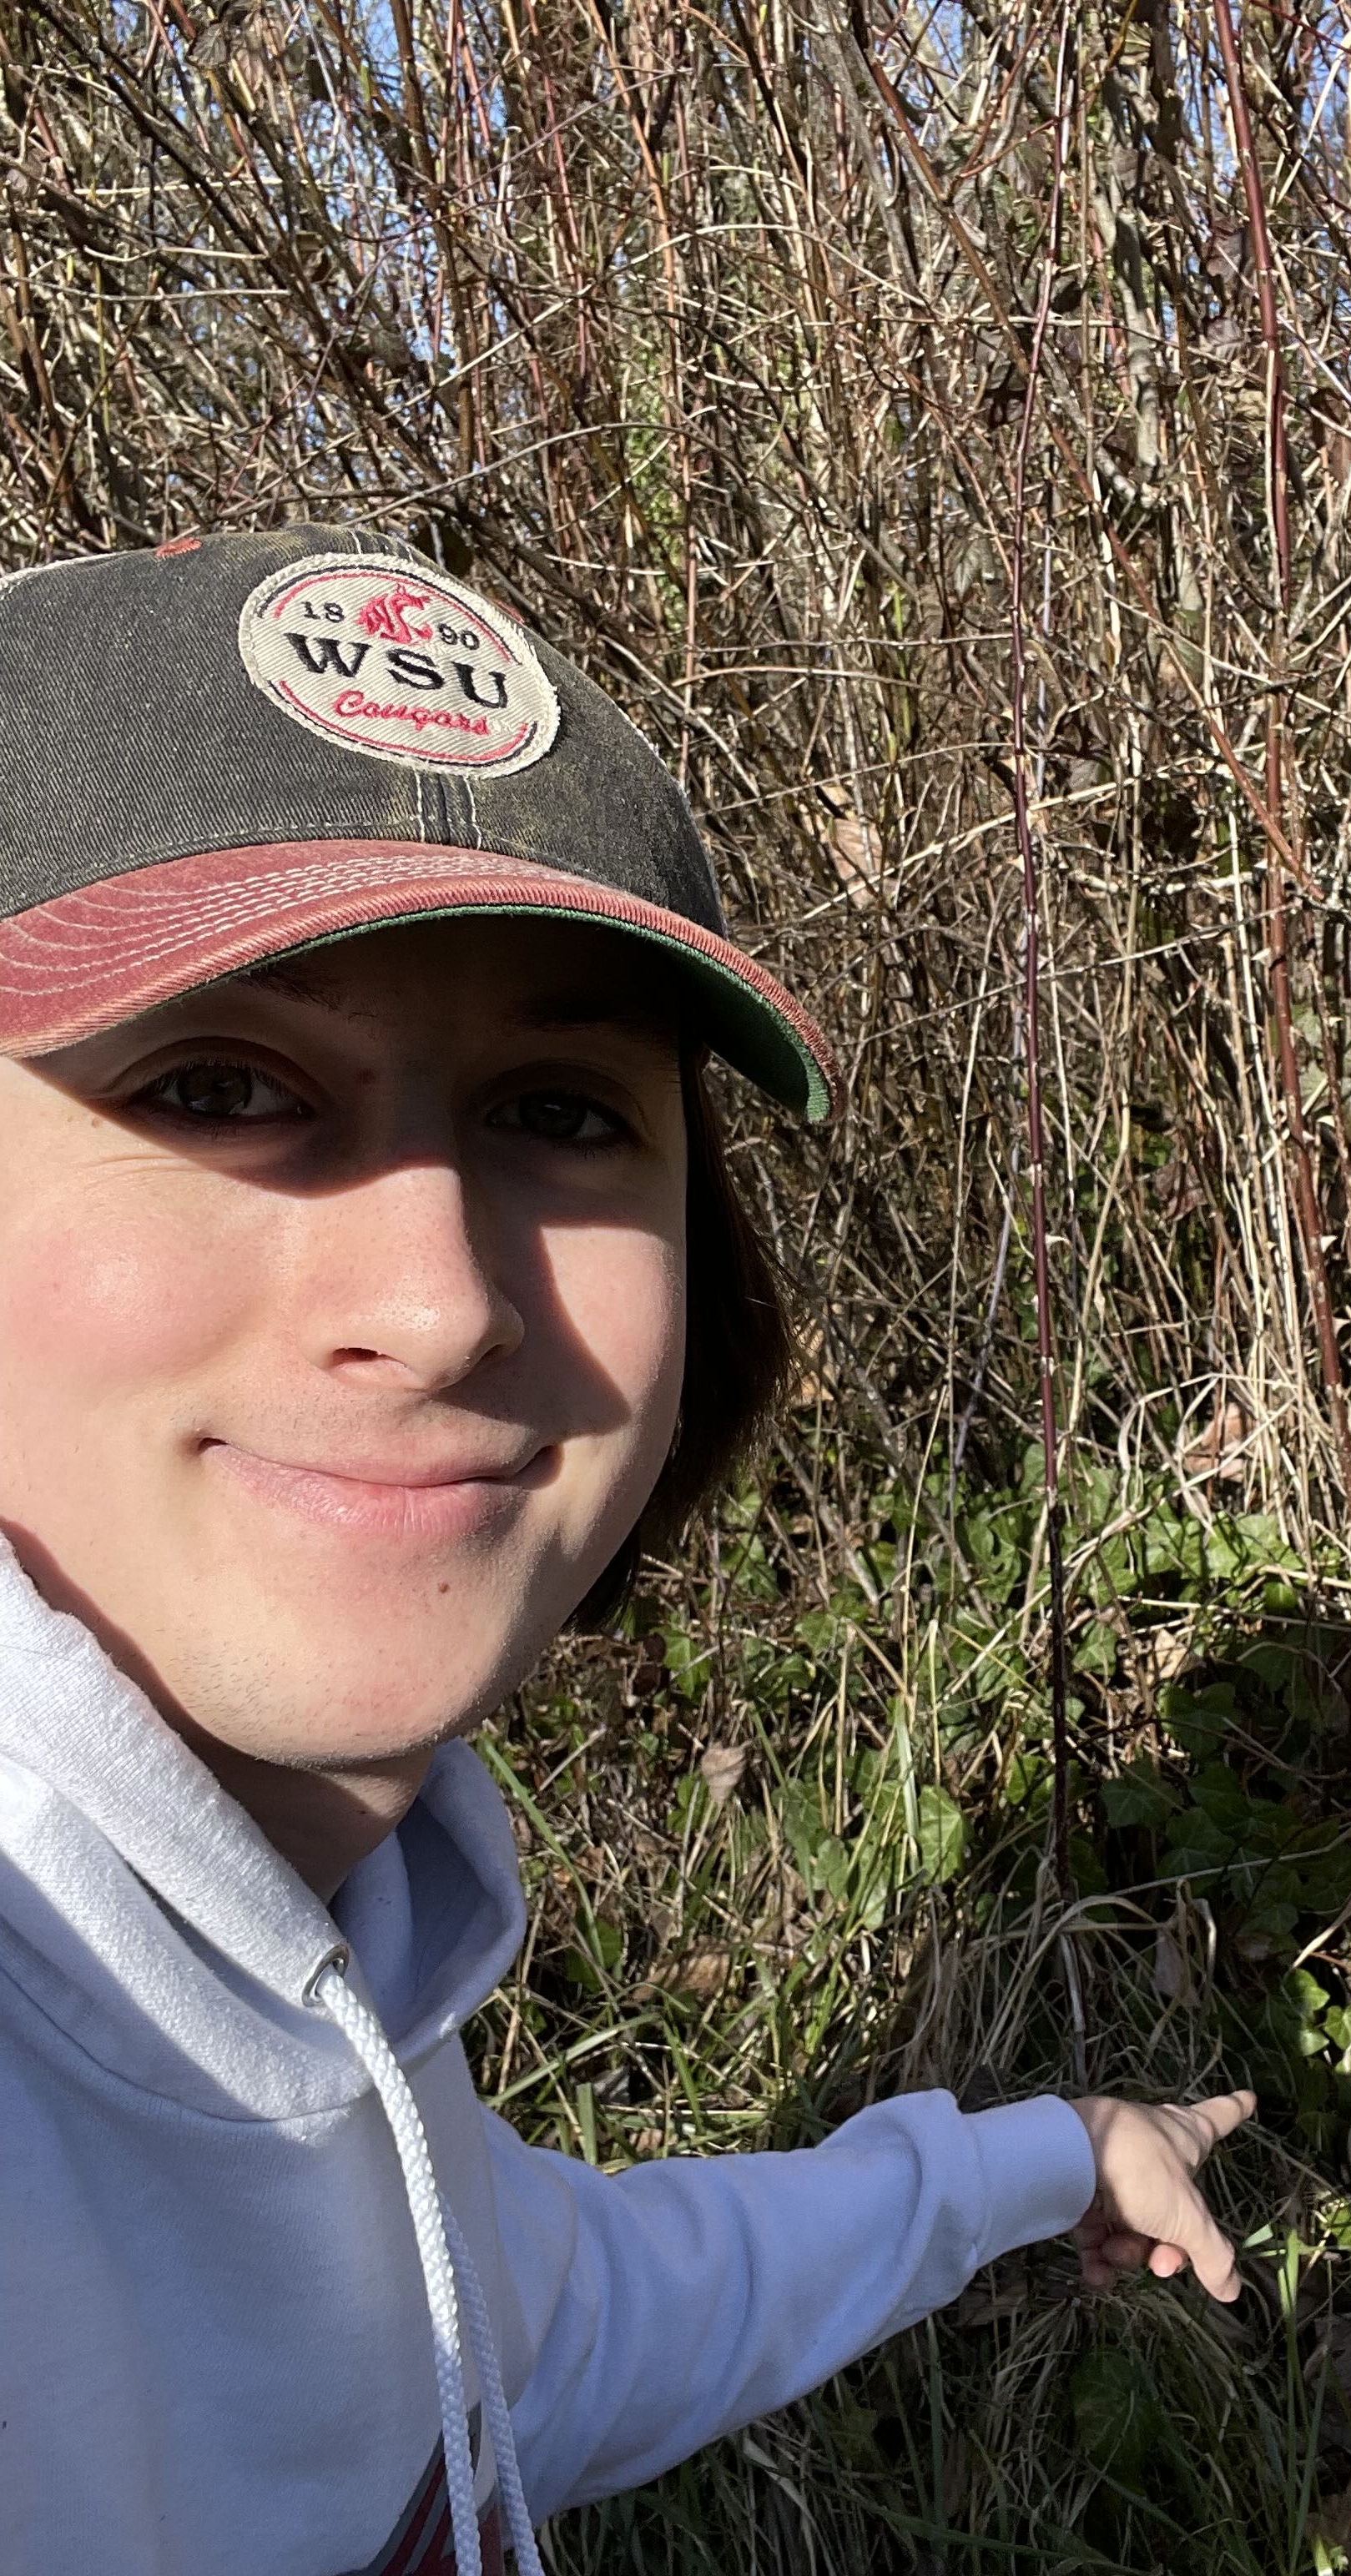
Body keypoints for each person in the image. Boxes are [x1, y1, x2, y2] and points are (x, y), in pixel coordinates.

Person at [0, 526, 1255, 2573]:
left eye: (563, 1112)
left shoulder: (331, 1993)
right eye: (223, 1083)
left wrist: (1045, 2158)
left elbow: (546, 2324)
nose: (442, 1297)